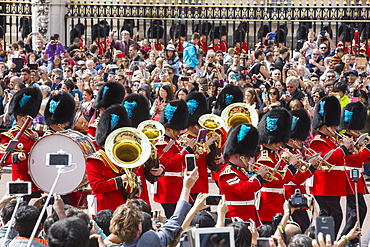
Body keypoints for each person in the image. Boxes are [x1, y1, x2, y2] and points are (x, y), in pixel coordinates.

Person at [106, 167, 199, 247]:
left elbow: (107, 241)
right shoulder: (148, 241)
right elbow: (176, 219)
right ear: (139, 227)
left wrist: (121, 230)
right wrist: (187, 187)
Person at [309, 95, 353, 237]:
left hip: (333, 185)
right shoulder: (318, 141)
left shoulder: (332, 140)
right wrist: (343, 149)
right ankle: (326, 242)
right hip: (325, 185)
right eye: (333, 126)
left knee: (326, 215)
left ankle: (322, 241)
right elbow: (327, 160)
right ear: (324, 126)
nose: (336, 128)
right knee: (334, 215)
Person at [218, 123, 268, 226]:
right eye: (246, 157)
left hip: (249, 216)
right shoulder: (228, 174)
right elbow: (244, 190)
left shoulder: (241, 171)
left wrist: (263, 177)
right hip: (236, 218)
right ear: (237, 156)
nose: (249, 159)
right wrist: (258, 177)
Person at [256, 108, 299, 224]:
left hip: (278, 202)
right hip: (269, 205)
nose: (281, 144)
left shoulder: (275, 156)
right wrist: (291, 166)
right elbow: (279, 180)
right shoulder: (265, 158)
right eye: (278, 141)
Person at [86, 104, 131, 212]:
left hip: (124, 206)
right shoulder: (96, 159)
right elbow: (97, 186)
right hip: (105, 207)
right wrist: (120, 180)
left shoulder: (121, 157)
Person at [154, 99, 195, 218]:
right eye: (176, 129)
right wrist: (187, 150)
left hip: (176, 186)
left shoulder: (172, 142)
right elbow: (172, 161)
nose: (178, 132)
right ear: (168, 128)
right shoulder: (163, 144)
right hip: (168, 189)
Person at [0, 87, 42, 199]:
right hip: (20, 178)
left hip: (35, 178)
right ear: (19, 117)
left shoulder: (33, 134)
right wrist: (16, 156)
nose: (31, 121)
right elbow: (2, 155)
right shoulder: (12, 134)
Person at [338, 101, 370, 245]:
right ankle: (346, 239)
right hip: (350, 176)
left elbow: (363, 158)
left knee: (355, 210)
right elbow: (352, 158)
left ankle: (352, 239)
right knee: (358, 209)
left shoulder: (357, 138)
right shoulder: (343, 138)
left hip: (357, 175)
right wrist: (367, 150)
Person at [282, 109, 318, 233]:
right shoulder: (285, 154)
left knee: (303, 227)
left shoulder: (296, 151)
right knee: (302, 228)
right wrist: (311, 167)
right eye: (301, 140)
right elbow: (295, 179)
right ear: (292, 140)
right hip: (290, 193)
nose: (303, 143)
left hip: (299, 193)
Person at [88, 81, 125, 150]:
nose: (99, 113)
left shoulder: (94, 127)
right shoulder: (124, 119)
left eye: (101, 110)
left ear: (103, 109)